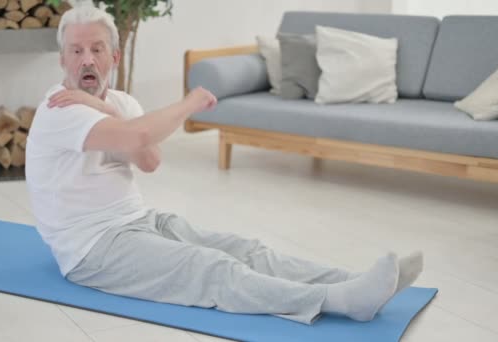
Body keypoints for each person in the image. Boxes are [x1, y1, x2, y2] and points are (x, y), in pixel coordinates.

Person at [25, 4, 423, 325]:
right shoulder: (61, 107)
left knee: (246, 250)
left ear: (113, 56)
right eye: (76, 51)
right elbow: (139, 138)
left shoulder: (120, 103)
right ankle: (338, 300)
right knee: (211, 268)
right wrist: (191, 101)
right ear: (62, 59)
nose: (86, 60)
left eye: (96, 49)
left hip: (138, 222)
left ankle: (355, 281)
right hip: (93, 250)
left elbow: (149, 160)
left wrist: (106, 106)